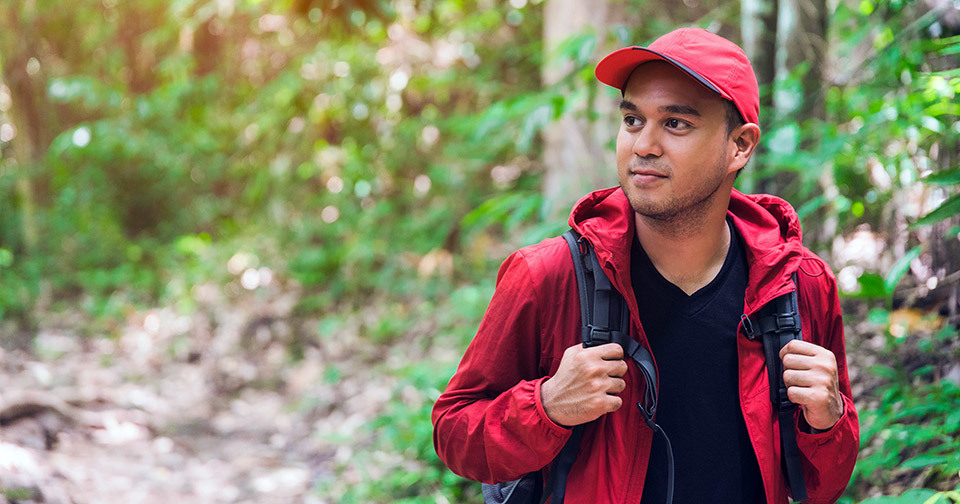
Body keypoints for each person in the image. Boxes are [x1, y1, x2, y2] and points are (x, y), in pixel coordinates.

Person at [431, 27, 859, 503]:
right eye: (633, 120)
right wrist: (547, 407)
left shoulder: (798, 285)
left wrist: (830, 417)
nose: (644, 145)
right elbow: (454, 432)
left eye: (675, 124)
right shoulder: (550, 275)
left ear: (740, 145)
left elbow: (826, 483)